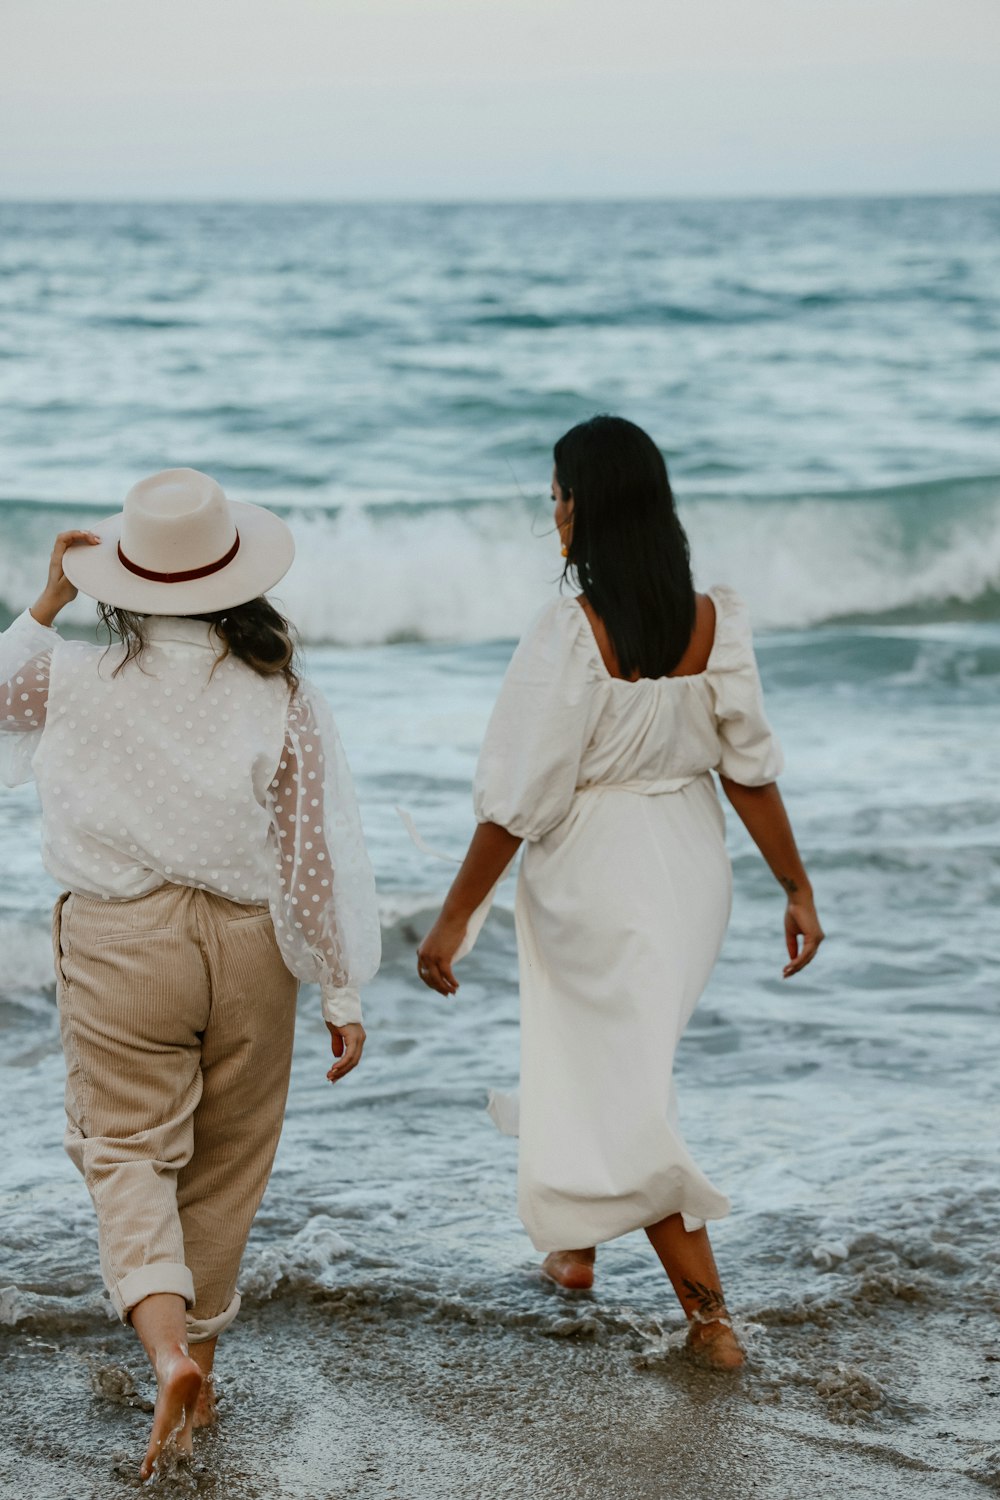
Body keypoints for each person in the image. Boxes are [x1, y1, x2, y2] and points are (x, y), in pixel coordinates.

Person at [417, 416, 823, 1369]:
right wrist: (796, 887)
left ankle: (711, 1320)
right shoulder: (713, 619)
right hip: (689, 874)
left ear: (587, 506)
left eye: (559, 494)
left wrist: (452, 916)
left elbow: (518, 800)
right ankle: (574, 1251)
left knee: (624, 1091)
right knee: (617, 1067)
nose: (551, 512)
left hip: (596, 880)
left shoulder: (571, 630)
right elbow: (749, 771)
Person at [0, 470, 380, 1476]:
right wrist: (339, 988)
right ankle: (198, 1378)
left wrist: (43, 604)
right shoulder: (281, 693)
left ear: (127, 581)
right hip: (254, 948)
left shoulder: (72, 676)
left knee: (127, 1150)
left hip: (124, 943)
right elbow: (310, 859)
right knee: (227, 1165)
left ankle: (167, 1354)